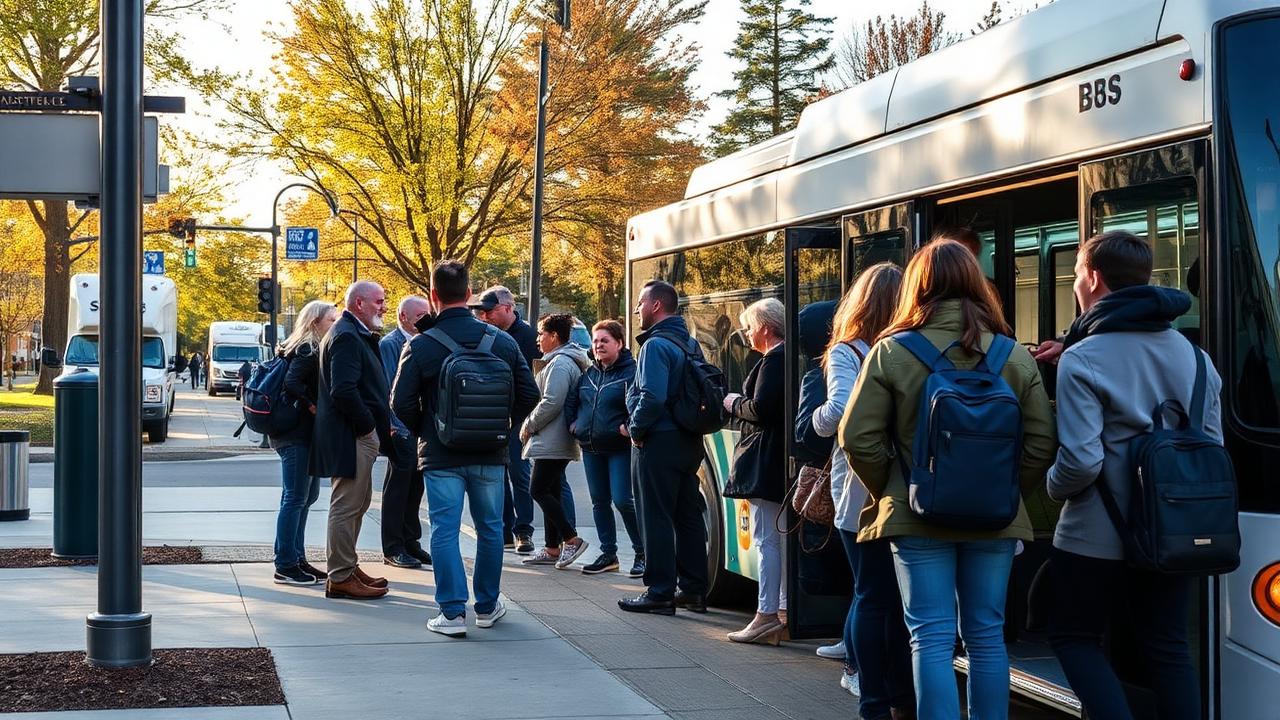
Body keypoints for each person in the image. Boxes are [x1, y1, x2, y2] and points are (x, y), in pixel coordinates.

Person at [841, 240, 1057, 720]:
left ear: (918, 285)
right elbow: (1042, 442)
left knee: (931, 637)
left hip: (917, 519)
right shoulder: (1012, 354)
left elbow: (857, 437)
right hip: (996, 520)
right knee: (985, 634)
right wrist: (1002, 489)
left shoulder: (891, 352)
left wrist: (896, 488)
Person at [1044, 230, 1221, 720]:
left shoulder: (1081, 358)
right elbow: (1213, 444)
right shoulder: (1195, 356)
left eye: (1078, 273)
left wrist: (1049, 487)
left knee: (1073, 635)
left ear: (1094, 278)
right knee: (1167, 646)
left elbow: (1081, 461)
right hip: (1175, 530)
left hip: (1095, 534)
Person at [392, 260, 540, 637]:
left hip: (441, 454)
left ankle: (453, 613)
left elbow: (400, 404)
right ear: (470, 295)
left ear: (433, 296)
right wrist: (501, 426)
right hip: (490, 452)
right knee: (491, 528)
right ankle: (488, 606)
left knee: (444, 529)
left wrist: (428, 429)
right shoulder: (501, 341)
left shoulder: (422, 345)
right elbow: (529, 394)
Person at [815, 263, 916, 717]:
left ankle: (871, 695)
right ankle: (900, 698)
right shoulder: (910, 345)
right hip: (905, 487)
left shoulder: (846, 350)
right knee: (898, 600)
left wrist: (815, 421)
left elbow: (837, 411)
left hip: (858, 487)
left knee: (870, 594)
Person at [618, 280, 709, 616]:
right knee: (688, 514)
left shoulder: (656, 346)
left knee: (654, 516)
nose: (638, 309)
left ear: (656, 306)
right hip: (687, 439)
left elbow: (652, 396)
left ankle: (659, 592)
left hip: (658, 439)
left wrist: (636, 430)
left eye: (641, 302)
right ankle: (694, 590)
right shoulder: (689, 342)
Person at [470, 285, 576, 553]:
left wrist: (528, 422)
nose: (484, 317)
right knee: (501, 474)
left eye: (489, 311)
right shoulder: (486, 335)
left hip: (523, 417)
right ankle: (511, 531)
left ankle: (531, 532)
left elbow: (543, 389)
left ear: (507, 308)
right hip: (497, 416)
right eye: (481, 312)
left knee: (529, 478)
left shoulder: (530, 339)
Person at [312, 280, 394, 601]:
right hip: (351, 435)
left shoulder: (352, 332)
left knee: (357, 504)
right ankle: (341, 575)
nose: (383, 306)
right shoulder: (346, 335)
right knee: (347, 506)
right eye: (378, 301)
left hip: (355, 434)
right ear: (358, 304)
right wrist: (366, 427)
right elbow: (343, 390)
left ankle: (347, 566)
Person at [721, 298, 789, 644]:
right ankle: (783, 612)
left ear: (765, 327)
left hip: (766, 460)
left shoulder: (773, 360)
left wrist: (733, 402)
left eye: (749, 327)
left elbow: (762, 409)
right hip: (779, 458)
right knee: (780, 538)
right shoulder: (787, 358)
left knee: (767, 539)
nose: (746, 334)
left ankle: (767, 615)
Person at [564, 319, 645, 577]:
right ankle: (609, 553)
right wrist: (573, 424)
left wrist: (629, 426)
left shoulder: (631, 372)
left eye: (604, 341)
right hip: (591, 447)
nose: (598, 345)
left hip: (619, 448)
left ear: (619, 343)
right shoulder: (589, 373)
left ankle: (642, 553)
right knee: (599, 501)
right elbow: (573, 400)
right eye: (596, 340)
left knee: (623, 500)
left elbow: (642, 402)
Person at [268, 301, 337, 586]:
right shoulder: (308, 349)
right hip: (295, 435)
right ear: (314, 322)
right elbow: (293, 384)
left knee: (305, 498)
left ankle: (296, 558)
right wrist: (313, 407)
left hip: (298, 435)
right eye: (330, 319)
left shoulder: (303, 347)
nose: (334, 323)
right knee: (296, 498)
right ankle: (285, 564)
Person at [519, 313, 592, 569]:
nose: (538, 339)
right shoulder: (559, 361)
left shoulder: (560, 364)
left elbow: (551, 401)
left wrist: (529, 424)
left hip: (553, 436)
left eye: (541, 334)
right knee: (550, 489)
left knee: (538, 489)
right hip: (554, 436)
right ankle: (552, 548)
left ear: (554, 336)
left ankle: (571, 539)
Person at [378, 295, 434, 569]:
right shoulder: (390, 345)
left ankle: (411, 541)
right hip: (399, 429)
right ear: (403, 317)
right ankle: (393, 547)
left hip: (419, 429)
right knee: (398, 489)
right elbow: (389, 388)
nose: (426, 318)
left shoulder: (424, 342)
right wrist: (392, 426)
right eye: (420, 314)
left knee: (415, 489)